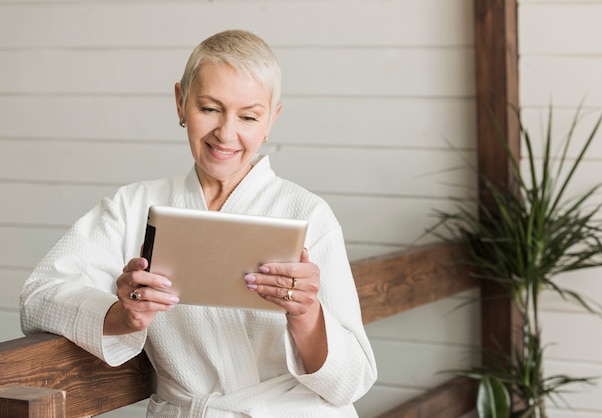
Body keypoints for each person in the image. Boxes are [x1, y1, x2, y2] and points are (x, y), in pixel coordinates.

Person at [19, 29, 377, 417]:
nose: (226, 132)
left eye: (249, 116)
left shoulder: (307, 214)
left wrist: (306, 314)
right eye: (209, 108)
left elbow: (351, 380)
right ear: (180, 102)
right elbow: (38, 297)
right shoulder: (132, 207)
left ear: (271, 118)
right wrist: (122, 316)